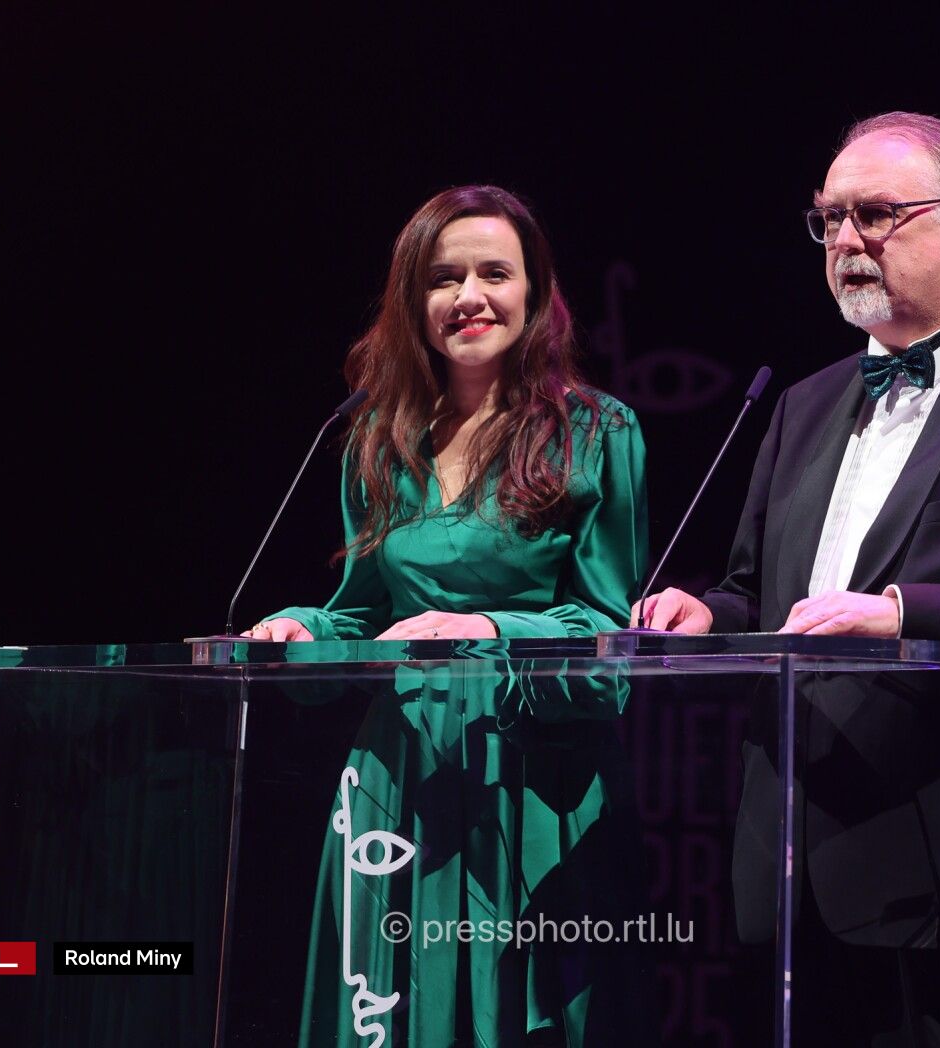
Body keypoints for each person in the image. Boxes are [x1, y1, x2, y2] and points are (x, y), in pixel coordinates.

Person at [639, 113, 940, 1045]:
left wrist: (903, 613)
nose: (845, 240)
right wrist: (706, 613)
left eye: (874, 214)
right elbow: (763, 593)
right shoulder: (801, 404)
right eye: (829, 219)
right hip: (801, 874)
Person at [245, 185, 652, 1047]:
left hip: (533, 776)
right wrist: (302, 630)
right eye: (443, 278)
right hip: (400, 771)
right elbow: (361, 615)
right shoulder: (378, 438)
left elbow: (605, 638)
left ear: (534, 292)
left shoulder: (597, 432)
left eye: (494, 273)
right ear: (413, 301)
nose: (469, 296)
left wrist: (487, 632)